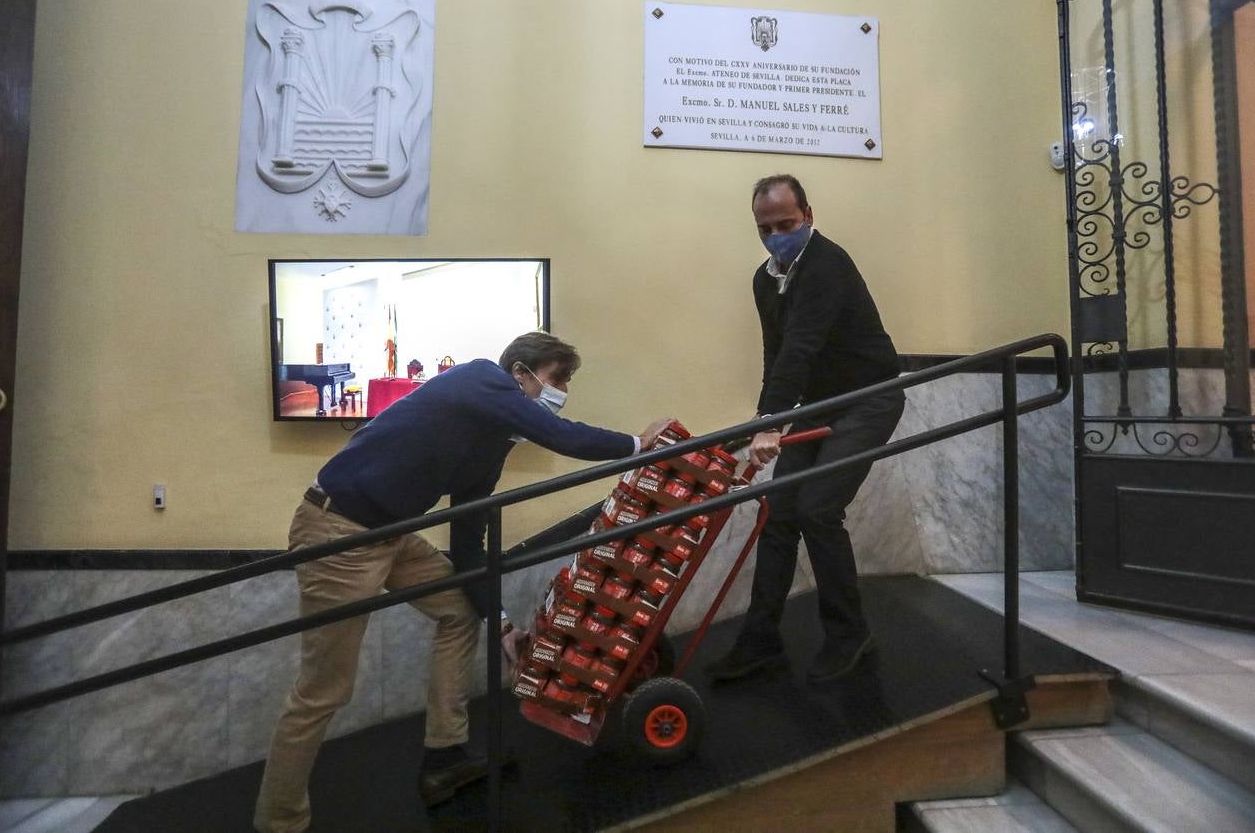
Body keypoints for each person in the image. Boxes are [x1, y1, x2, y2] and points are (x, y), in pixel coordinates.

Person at [254, 332, 673, 831]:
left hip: (390, 534)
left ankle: (444, 756)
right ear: (520, 373)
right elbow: (562, 435)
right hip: (338, 532)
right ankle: (278, 822)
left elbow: (470, 545)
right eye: (558, 379)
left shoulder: (487, 448)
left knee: (458, 612)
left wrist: (501, 627)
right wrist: (636, 445)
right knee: (323, 691)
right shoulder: (479, 376)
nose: (562, 392)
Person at [706, 174, 905, 686]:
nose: (777, 236)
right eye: (765, 228)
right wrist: (763, 422)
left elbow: (802, 345)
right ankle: (760, 641)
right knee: (778, 513)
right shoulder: (764, 279)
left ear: (809, 215)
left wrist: (771, 423)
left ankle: (848, 634)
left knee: (818, 509)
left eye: (786, 224)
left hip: (868, 399)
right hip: (821, 404)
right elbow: (777, 356)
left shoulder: (827, 264)